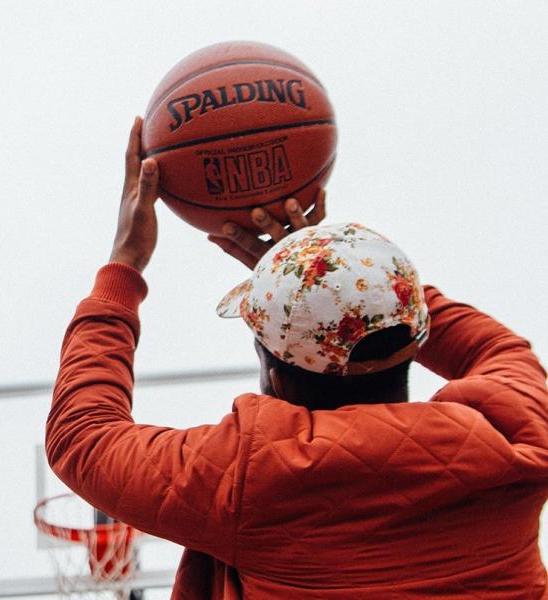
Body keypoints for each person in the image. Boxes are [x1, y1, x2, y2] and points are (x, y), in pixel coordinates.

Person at [46, 117, 548, 598]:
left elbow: (83, 436)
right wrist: (340, 272)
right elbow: (495, 348)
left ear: (273, 371)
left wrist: (124, 265)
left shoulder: (252, 476)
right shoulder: (515, 435)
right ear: (415, 339)